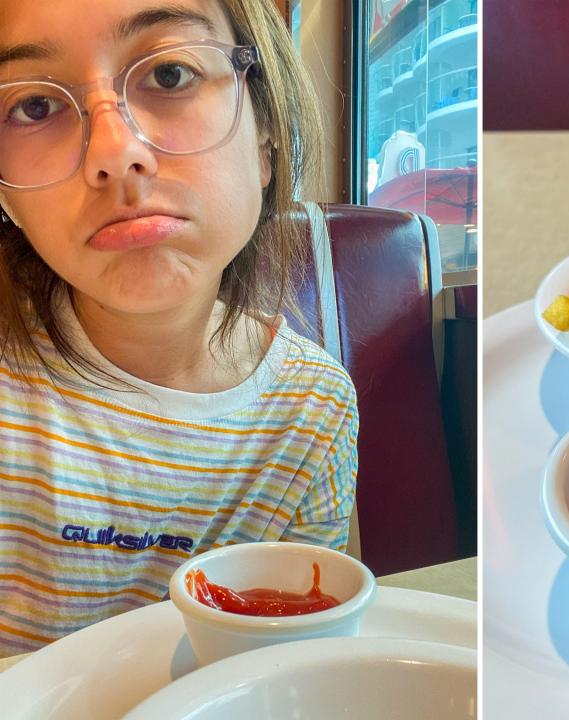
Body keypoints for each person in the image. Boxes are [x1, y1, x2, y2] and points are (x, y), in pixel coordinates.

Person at [0, 0, 358, 657]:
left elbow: (305, 660)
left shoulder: (313, 408)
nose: (114, 153)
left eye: (169, 75)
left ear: (266, 137)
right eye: (35, 107)